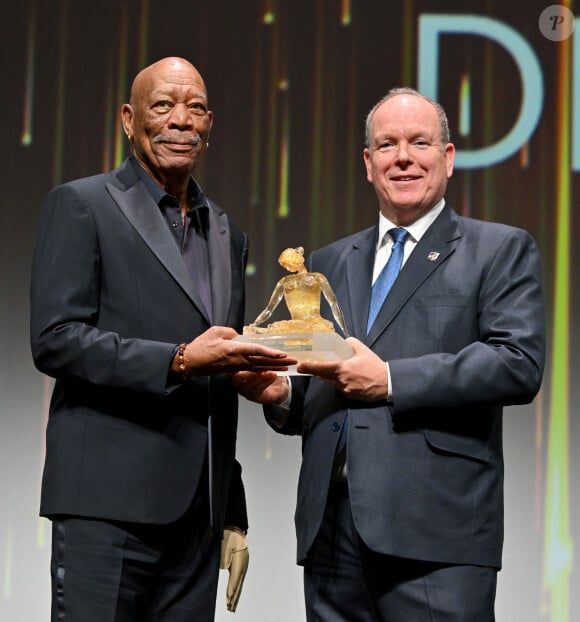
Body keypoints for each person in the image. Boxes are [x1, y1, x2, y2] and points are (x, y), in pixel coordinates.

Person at [234, 87, 545, 621]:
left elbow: (516, 363)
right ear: (368, 163)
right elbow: (327, 382)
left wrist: (392, 380)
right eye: (386, 145)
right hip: (332, 535)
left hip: (437, 537)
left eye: (419, 142)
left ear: (447, 158)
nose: (402, 157)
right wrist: (282, 395)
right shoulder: (333, 259)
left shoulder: (498, 248)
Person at [30, 56, 295, 621]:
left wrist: (231, 508)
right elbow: (55, 339)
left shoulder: (228, 233)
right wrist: (177, 360)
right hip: (106, 508)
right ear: (129, 119)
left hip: (195, 519)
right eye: (163, 106)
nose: (180, 121)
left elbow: (218, 379)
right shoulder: (83, 204)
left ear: (210, 124)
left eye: (195, 108)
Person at [247, 246, 349, 335]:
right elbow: (269, 309)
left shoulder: (317, 278)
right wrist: (255, 323)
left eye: (288, 265)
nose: (287, 268)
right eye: (285, 266)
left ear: (296, 260)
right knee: (272, 331)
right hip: (294, 325)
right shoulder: (285, 281)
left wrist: (345, 331)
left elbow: (333, 303)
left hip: (315, 324)